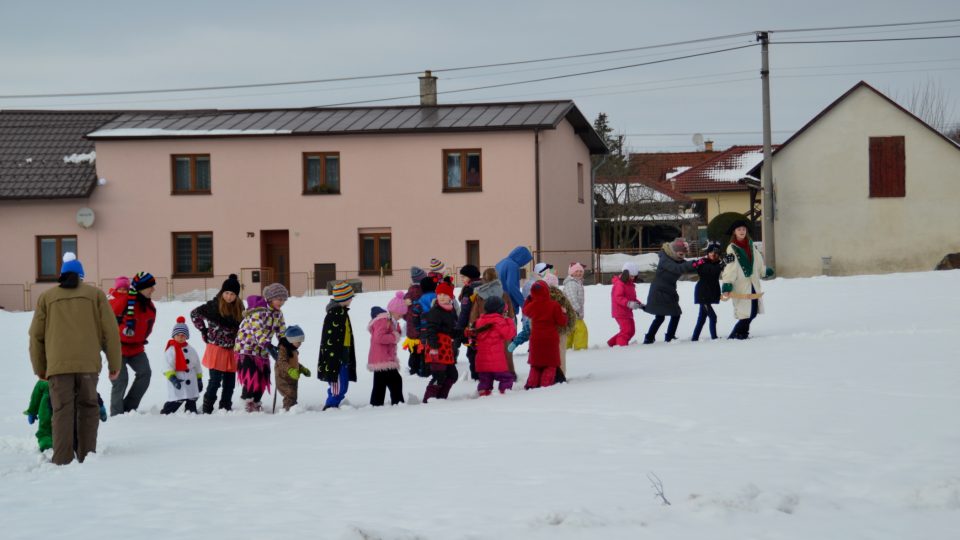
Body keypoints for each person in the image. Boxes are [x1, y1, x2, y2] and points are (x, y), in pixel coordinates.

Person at [28, 252, 121, 465]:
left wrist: (40, 368)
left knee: (61, 411)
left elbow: (36, 335)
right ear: (82, 276)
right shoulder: (95, 295)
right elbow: (111, 331)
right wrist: (114, 363)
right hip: (88, 366)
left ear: (61, 275)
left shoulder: (47, 298)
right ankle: (87, 457)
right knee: (88, 408)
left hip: (58, 367)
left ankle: (62, 459)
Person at [191, 273, 244, 413]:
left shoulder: (239, 309)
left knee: (230, 382)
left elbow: (243, 326)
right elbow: (194, 314)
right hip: (216, 349)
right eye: (226, 293)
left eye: (232, 294)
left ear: (236, 296)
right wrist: (203, 330)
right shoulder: (213, 306)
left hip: (231, 350)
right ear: (222, 292)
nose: (229, 296)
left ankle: (225, 406)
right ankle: (207, 407)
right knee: (215, 381)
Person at [235, 283, 288, 412]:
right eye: (279, 299)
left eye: (283, 300)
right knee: (252, 376)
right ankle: (247, 402)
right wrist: (268, 345)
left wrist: (285, 344)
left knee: (263, 376)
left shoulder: (278, 314)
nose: (281, 302)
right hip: (246, 348)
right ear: (270, 298)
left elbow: (281, 330)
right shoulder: (258, 312)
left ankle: (256, 401)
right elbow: (257, 330)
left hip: (262, 350)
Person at [109, 271, 156, 416]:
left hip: (137, 349)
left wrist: (138, 338)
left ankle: (129, 408)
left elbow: (149, 327)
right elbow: (106, 317)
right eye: (151, 287)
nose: (153, 289)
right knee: (121, 380)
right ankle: (117, 414)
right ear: (142, 288)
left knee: (145, 374)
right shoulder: (123, 301)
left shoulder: (150, 307)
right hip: (118, 348)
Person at [721, 220, 774, 339]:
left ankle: (741, 333)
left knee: (753, 311)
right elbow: (730, 267)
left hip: (753, 284)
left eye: (743, 229)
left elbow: (758, 261)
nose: (742, 231)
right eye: (739, 229)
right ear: (734, 232)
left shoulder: (751, 245)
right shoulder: (731, 248)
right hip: (740, 286)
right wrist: (727, 284)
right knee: (745, 313)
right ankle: (737, 334)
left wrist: (764, 271)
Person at [24, 380, 108, 453]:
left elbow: (36, 396)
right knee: (57, 426)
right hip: (63, 405)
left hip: (52, 405)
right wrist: (100, 407)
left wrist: (32, 411)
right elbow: (90, 392)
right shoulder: (76, 377)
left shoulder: (44, 379)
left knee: (48, 427)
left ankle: (49, 442)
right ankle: (55, 443)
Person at [643, 238, 696, 344]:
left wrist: (703, 264)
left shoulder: (676, 259)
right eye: (681, 254)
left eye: (684, 255)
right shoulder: (665, 259)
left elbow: (687, 267)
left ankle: (670, 336)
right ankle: (649, 337)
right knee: (660, 317)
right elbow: (678, 268)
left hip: (669, 291)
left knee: (675, 314)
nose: (682, 257)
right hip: (658, 292)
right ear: (674, 251)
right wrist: (694, 263)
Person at [318, 282, 357, 410]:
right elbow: (329, 337)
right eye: (350, 297)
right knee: (338, 383)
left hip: (344, 352)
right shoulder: (334, 314)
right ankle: (330, 405)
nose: (352, 299)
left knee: (343, 383)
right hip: (336, 355)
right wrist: (334, 355)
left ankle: (334, 402)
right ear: (344, 298)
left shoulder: (342, 312)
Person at [522, 281, 568, 389]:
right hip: (550, 339)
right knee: (550, 364)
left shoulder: (532, 306)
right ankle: (545, 384)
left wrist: (529, 299)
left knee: (536, 365)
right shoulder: (554, 305)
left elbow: (525, 310)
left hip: (536, 339)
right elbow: (562, 321)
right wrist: (564, 313)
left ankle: (531, 384)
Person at [470, 296, 517, 396]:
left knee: (485, 381)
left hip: (482, 362)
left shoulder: (479, 321)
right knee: (506, 378)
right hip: (497, 361)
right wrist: (509, 321)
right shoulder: (499, 321)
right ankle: (504, 393)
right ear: (500, 310)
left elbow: (473, 338)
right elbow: (509, 334)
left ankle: (483, 394)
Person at [421, 281, 459, 402]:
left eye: (445, 294)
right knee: (439, 376)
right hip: (436, 348)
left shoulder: (450, 311)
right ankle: (429, 400)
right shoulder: (435, 311)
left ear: (451, 297)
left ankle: (441, 399)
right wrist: (433, 347)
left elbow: (451, 331)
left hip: (446, 349)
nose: (442, 297)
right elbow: (430, 330)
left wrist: (463, 333)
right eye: (439, 294)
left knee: (452, 375)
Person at [367, 292, 407, 406]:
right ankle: (398, 403)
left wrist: (397, 332)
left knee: (380, 383)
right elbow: (379, 337)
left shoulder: (390, 321)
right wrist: (394, 337)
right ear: (394, 310)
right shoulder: (384, 320)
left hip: (382, 357)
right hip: (383, 358)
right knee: (395, 381)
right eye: (400, 314)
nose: (401, 317)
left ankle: (376, 404)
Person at [161, 317, 203, 414]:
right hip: (178, 378)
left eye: (183, 335)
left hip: (191, 378)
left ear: (186, 337)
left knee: (191, 398)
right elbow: (167, 366)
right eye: (178, 335)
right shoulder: (170, 351)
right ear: (174, 336)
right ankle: (166, 411)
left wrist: (199, 379)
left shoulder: (191, 349)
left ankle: (191, 411)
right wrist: (173, 378)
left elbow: (197, 365)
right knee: (177, 399)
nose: (181, 337)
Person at [691, 242, 724, 341]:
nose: (714, 255)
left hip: (709, 293)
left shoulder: (718, 263)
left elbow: (719, 270)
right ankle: (714, 338)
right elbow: (711, 271)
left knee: (702, 319)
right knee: (713, 317)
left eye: (716, 253)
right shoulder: (703, 262)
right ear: (708, 253)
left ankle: (694, 338)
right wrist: (722, 264)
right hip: (703, 294)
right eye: (711, 253)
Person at [607, 262, 643, 347]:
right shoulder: (619, 284)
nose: (633, 278)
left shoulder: (630, 285)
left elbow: (632, 298)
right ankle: (622, 346)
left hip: (627, 312)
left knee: (631, 331)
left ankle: (611, 343)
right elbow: (618, 297)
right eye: (631, 276)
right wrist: (628, 303)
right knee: (626, 330)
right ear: (625, 274)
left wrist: (639, 304)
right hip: (620, 312)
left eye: (634, 276)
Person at [274, 325, 309, 411]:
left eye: (301, 342)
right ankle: (288, 409)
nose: (300, 344)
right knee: (289, 393)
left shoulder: (293, 349)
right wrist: (290, 370)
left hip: (292, 377)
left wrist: (302, 369)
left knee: (293, 394)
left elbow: (294, 362)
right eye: (298, 342)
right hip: (283, 377)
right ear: (291, 340)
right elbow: (281, 362)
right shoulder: (283, 349)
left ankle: (293, 406)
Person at [456, 264, 482, 380]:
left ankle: (476, 377)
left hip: (471, 326)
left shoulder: (469, 290)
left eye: (463, 277)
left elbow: (464, 312)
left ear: (470, 277)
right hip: (483, 325)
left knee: (472, 353)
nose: (462, 279)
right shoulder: (484, 286)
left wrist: (459, 328)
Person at [495, 246, 533, 317]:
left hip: (497, 303)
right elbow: (512, 287)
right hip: (509, 306)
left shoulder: (500, 263)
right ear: (521, 257)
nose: (524, 264)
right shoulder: (513, 265)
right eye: (525, 261)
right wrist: (524, 304)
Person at [402, 267, 427, 377]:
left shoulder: (408, 294)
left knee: (413, 352)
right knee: (422, 351)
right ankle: (422, 370)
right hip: (421, 328)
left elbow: (403, 312)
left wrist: (408, 318)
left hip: (411, 330)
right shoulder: (423, 292)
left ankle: (413, 369)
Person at [562, 262, 588, 350]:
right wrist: (577, 310)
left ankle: (566, 347)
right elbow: (571, 298)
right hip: (573, 313)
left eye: (581, 271)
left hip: (572, 313)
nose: (579, 273)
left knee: (571, 331)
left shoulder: (577, 283)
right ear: (571, 273)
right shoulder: (571, 283)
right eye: (576, 271)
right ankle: (580, 348)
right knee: (581, 330)